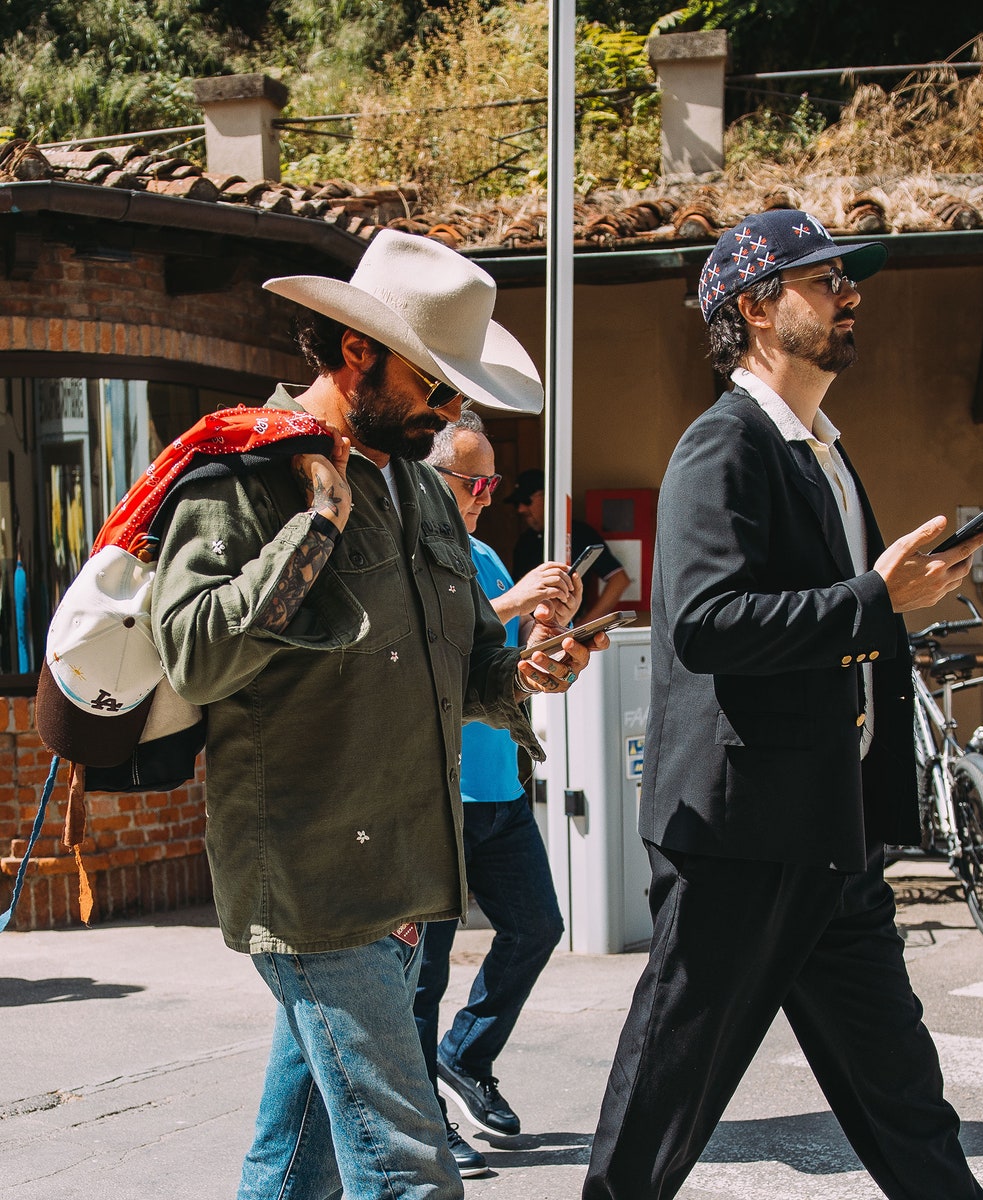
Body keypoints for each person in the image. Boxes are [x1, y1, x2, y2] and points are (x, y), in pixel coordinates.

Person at [150, 230, 606, 1200]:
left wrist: (530, 668)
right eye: (433, 387)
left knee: (294, 1168)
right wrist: (317, 526)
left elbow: (468, 660)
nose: (446, 415)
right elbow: (191, 652)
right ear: (357, 351)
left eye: (453, 396)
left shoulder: (418, 488)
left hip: (407, 879)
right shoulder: (246, 469)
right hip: (314, 881)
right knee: (409, 1171)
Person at [583, 209, 983, 1200]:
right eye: (826, 280)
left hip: (826, 831)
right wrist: (873, 599)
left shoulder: (826, 455)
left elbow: (838, 625)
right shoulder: (722, 448)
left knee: (902, 1099)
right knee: (662, 1108)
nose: (851, 294)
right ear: (758, 307)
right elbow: (706, 624)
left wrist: (899, 600)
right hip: (738, 837)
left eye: (850, 279)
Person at [416, 410, 581, 1177]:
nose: (484, 496)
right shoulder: (412, 557)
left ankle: (465, 1053)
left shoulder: (482, 554)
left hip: (497, 788)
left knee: (537, 926)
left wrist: (556, 641)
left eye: (490, 482)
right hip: (433, 801)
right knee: (424, 975)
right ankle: (426, 1123)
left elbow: (504, 675)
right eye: (471, 481)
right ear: (430, 476)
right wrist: (514, 602)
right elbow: (438, 653)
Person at [507, 468, 630, 623]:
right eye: (517, 504)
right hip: (528, 634)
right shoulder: (524, 542)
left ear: (548, 497)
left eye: (526, 501)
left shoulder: (579, 533)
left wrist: (583, 626)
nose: (521, 509)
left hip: (566, 629)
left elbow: (618, 580)